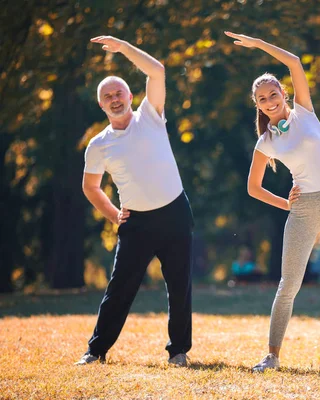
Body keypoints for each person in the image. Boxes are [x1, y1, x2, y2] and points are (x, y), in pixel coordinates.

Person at [224, 31, 320, 372]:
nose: (269, 101)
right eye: (262, 99)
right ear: (256, 105)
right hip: (302, 211)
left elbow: (295, 62)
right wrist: (286, 204)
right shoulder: (266, 142)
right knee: (288, 285)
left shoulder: (305, 112)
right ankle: (271, 355)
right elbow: (253, 188)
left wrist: (258, 44)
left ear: (284, 93)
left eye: (273, 94)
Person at [76, 36, 194, 367]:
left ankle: (179, 352)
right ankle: (95, 351)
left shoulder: (150, 115)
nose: (114, 99)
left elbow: (156, 71)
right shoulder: (99, 145)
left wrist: (123, 47)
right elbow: (90, 186)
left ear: (130, 96)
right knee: (120, 289)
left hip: (175, 213)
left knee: (179, 286)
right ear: (101, 105)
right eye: (107, 97)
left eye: (118, 93)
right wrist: (115, 216)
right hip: (136, 224)